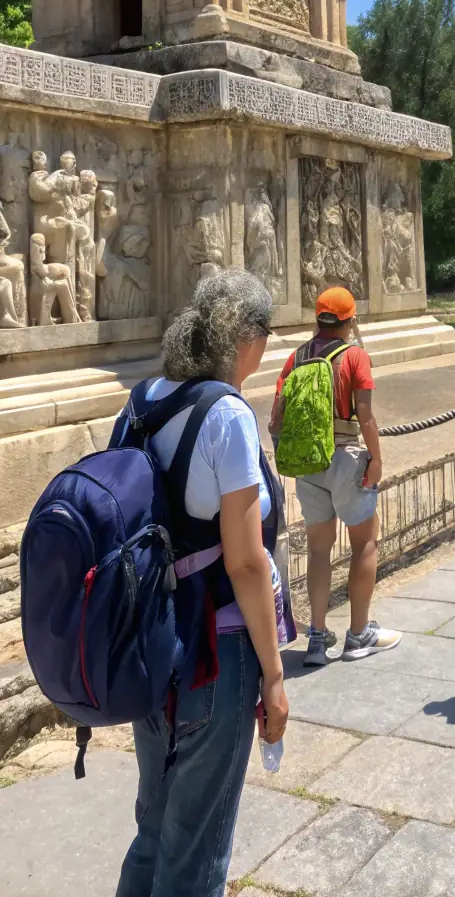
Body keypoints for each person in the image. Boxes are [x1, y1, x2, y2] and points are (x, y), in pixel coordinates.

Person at [115, 270, 289, 897]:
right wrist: (273, 673)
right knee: (198, 851)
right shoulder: (227, 415)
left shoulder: (142, 399)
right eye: (266, 335)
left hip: (151, 646)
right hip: (218, 655)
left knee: (156, 828)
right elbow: (245, 563)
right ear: (246, 337)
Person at [270, 286, 400, 666]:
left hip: (309, 461)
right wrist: (375, 459)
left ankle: (316, 638)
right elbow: (366, 415)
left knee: (317, 551)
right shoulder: (355, 356)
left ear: (317, 318)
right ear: (350, 320)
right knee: (365, 546)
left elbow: (277, 418)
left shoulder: (297, 357)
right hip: (345, 455)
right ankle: (358, 635)